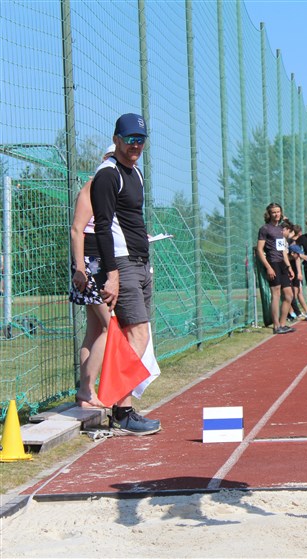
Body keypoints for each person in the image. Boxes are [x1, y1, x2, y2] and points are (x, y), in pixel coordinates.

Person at [90, 113, 160, 435]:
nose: (135, 146)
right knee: (137, 334)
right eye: (130, 139)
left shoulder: (136, 174)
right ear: (117, 138)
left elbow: (134, 221)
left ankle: (122, 405)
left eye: (140, 140)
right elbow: (102, 227)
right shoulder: (108, 175)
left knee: (137, 336)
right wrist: (113, 274)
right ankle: (122, 410)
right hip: (122, 262)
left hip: (140, 261)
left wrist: (146, 260)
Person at [69, 144, 116, 408]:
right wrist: (80, 268)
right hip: (89, 263)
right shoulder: (92, 186)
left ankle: (86, 390)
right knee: (109, 326)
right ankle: (87, 390)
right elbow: (77, 229)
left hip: (99, 260)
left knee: (95, 328)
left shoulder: (113, 189)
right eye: (111, 159)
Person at [256, 207, 296, 334]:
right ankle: (276, 326)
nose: (276, 214)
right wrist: (268, 267)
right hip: (272, 263)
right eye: (273, 212)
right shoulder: (265, 229)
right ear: (269, 214)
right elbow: (259, 250)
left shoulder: (281, 229)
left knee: (289, 295)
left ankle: (283, 324)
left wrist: (289, 267)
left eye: (278, 211)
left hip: (282, 264)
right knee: (276, 294)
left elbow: (283, 250)